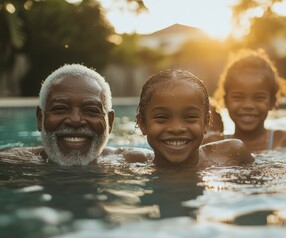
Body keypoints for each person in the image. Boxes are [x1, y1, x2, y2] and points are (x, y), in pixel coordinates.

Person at [0, 64, 153, 166]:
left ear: (110, 122)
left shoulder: (138, 160)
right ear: (40, 118)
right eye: (60, 109)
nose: (75, 120)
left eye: (91, 110)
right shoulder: (10, 161)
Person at [135, 69, 254, 170]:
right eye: (162, 117)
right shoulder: (131, 164)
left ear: (206, 122)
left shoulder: (232, 154)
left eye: (190, 117)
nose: (177, 128)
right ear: (142, 124)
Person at [205, 49, 286, 152]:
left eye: (259, 98)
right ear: (225, 100)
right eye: (238, 97)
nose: (248, 105)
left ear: (272, 102)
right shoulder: (215, 143)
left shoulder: (283, 140)